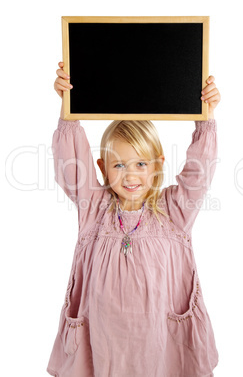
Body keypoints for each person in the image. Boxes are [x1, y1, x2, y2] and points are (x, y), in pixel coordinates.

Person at [47, 61, 221, 377]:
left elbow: (200, 170)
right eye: (119, 165)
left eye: (141, 163)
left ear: (157, 164)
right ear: (101, 167)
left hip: (158, 347)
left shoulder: (174, 209)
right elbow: (72, 164)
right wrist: (67, 108)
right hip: (104, 348)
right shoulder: (95, 207)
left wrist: (205, 119)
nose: (130, 175)